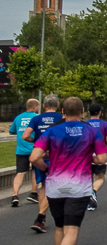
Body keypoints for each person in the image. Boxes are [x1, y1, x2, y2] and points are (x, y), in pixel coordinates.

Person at [29, 97, 107, 245]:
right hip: (79, 186)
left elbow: (33, 157)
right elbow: (102, 158)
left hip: (55, 186)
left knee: (59, 227)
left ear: (62, 111)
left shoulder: (51, 131)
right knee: (72, 229)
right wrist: (86, 156)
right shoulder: (92, 131)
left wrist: (46, 168)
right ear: (82, 110)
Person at [24, 95, 64, 234]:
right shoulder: (61, 117)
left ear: (43, 106)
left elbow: (25, 136)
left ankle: (43, 217)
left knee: (44, 186)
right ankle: (40, 218)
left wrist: (36, 141)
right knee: (53, 187)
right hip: (55, 155)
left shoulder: (36, 118)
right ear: (58, 105)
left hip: (39, 155)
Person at [8, 98, 40, 207]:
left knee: (20, 172)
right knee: (36, 171)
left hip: (21, 150)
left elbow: (11, 131)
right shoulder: (37, 117)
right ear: (35, 107)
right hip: (34, 149)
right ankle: (33, 193)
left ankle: (15, 195)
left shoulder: (18, 118)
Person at [86, 104, 107, 210]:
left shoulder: (84, 124)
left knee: (88, 178)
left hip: (86, 154)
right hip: (100, 154)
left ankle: (89, 200)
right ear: (100, 112)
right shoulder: (104, 124)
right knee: (100, 177)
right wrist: (104, 144)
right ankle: (93, 192)